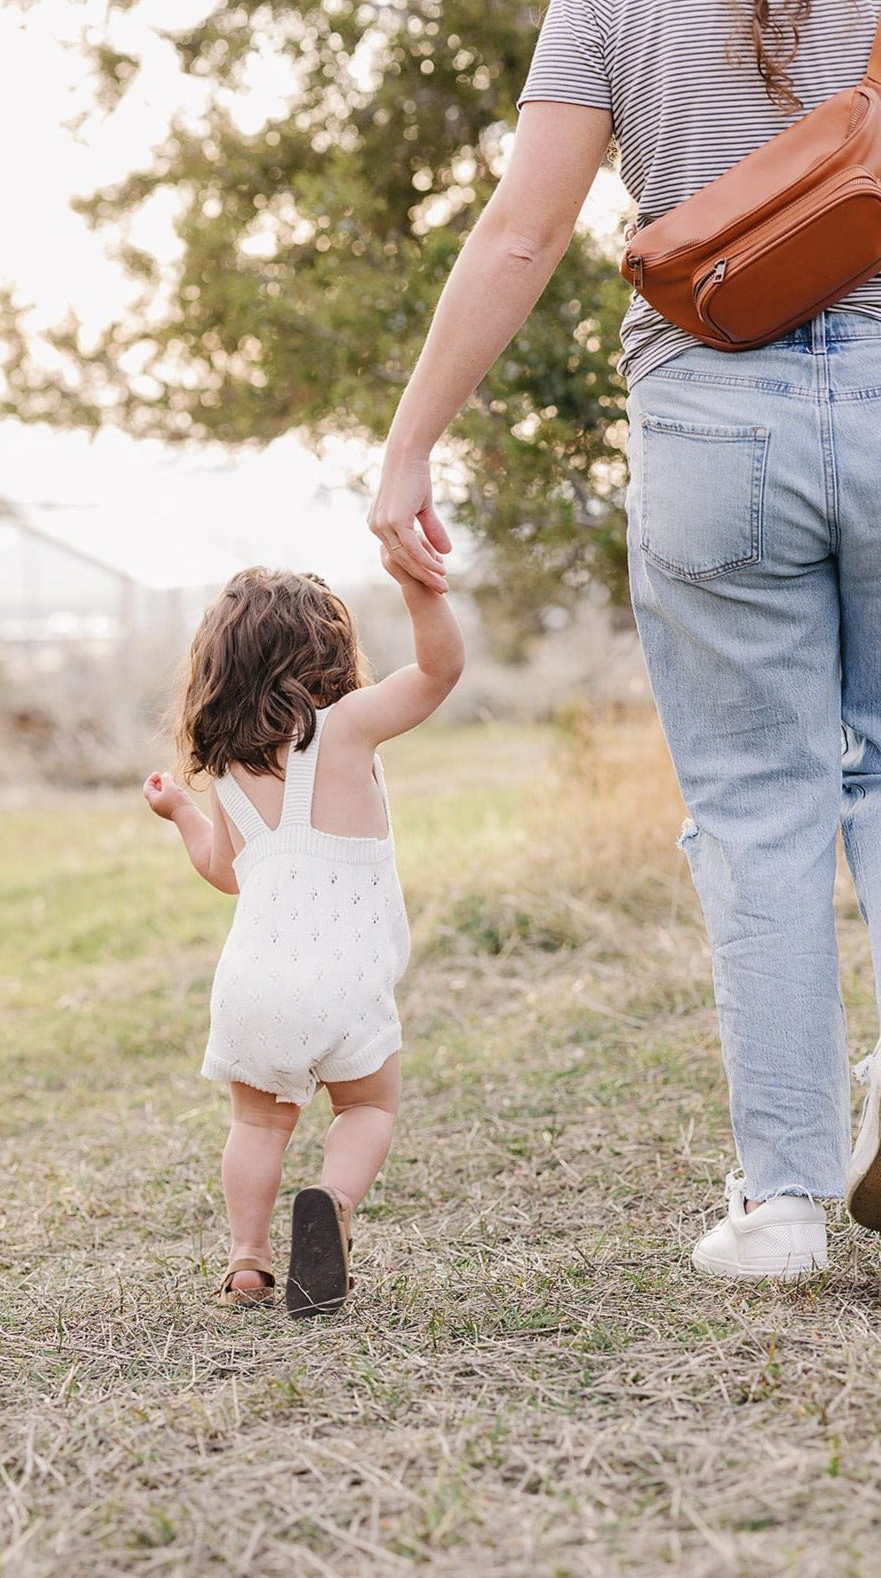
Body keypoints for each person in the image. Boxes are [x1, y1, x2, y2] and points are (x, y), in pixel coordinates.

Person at [367, 0, 881, 1280]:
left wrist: (409, 446)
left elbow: (523, 232)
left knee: (760, 807)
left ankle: (781, 1209)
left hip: (708, 417)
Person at [143, 564, 463, 1315]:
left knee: (256, 1122)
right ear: (329, 651)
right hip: (344, 978)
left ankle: (246, 1262)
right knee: (366, 1110)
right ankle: (332, 1201)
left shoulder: (224, 770)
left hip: (250, 981)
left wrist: (182, 817)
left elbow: (226, 872)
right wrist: (421, 587)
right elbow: (440, 669)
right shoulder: (346, 726)